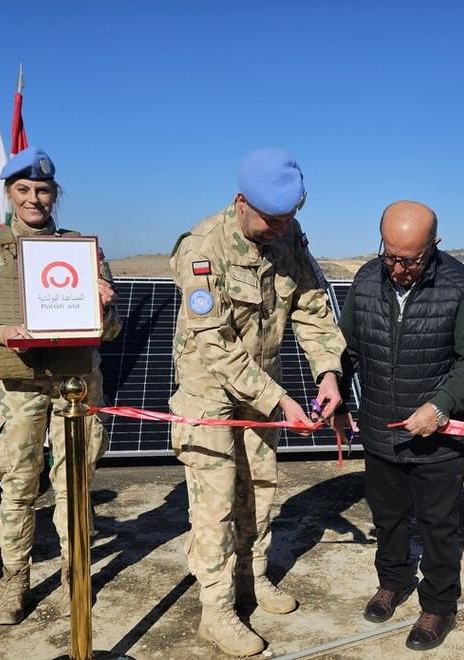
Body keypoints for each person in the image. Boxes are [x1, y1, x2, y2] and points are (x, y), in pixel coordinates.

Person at [168, 147, 345, 656]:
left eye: (288, 218)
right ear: (242, 202)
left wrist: (328, 372)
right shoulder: (202, 248)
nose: (279, 229)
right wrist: (280, 400)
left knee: (260, 489)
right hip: (210, 393)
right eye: (271, 219)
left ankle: (252, 576)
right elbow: (216, 344)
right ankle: (217, 609)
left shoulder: (288, 235)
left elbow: (311, 306)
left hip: (265, 389)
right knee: (216, 503)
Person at [0, 147, 121, 625]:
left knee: (74, 485)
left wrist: (104, 304)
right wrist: (0, 330)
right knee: (19, 486)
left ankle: (74, 574)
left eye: (42, 190)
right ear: (9, 194)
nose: (33, 199)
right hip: (16, 387)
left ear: (54, 195)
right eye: (23, 189)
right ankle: (14, 580)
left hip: (75, 383)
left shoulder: (83, 253)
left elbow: (110, 331)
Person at [334, 200, 464, 652]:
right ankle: (393, 581)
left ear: (434, 245)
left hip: (438, 439)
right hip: (379, 429)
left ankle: (439, 605)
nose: (399, 269)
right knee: (387, 517)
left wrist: (440, 406)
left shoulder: (459, 286)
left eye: (411, 260)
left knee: (439, 525)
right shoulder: (366, 281)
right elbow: (345, 350)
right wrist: (338, 399)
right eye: (390, 256)